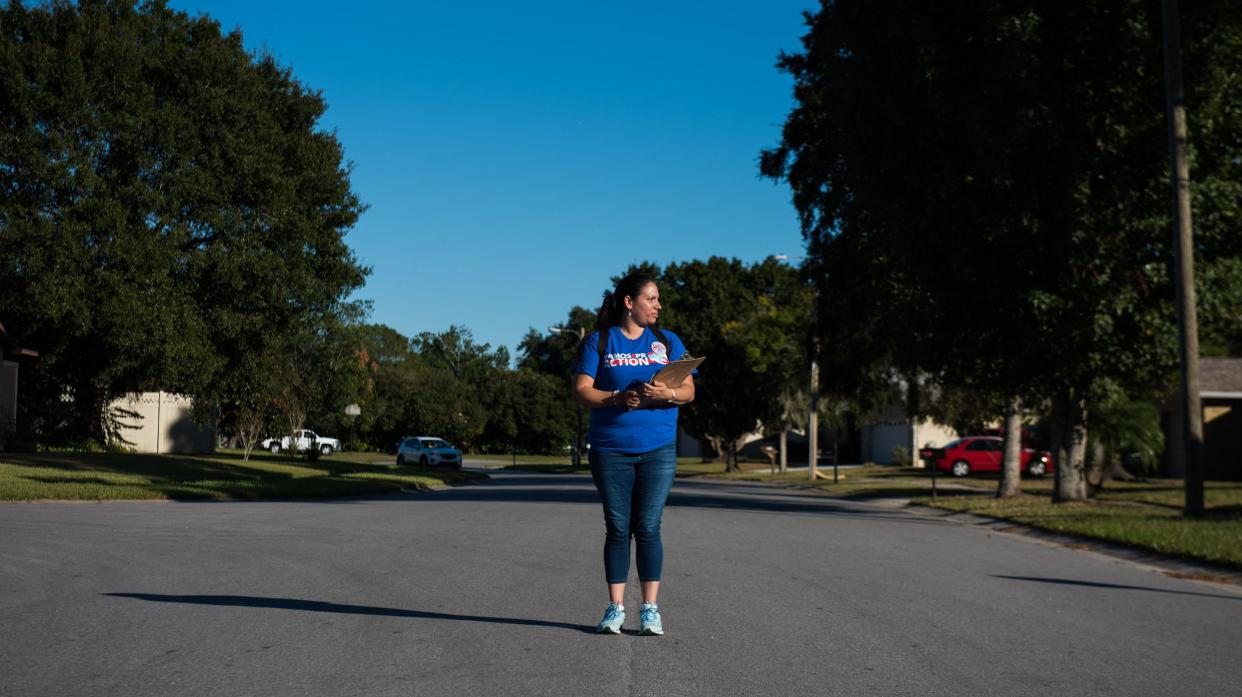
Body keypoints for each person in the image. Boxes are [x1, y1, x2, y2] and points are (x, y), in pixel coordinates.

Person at [573, 273, 696, 636]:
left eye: (658, 299)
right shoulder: (599, 341)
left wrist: (667, 395)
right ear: (629, 302)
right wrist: (615, 398)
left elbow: (689, 389)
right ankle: (615, 609)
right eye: (652, 299)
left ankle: (650, 610)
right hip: (611, 451)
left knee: (648, 527)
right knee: (617, 528)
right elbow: (582, 390)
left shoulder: (668, 341)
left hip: (658, 449)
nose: (658, 305)